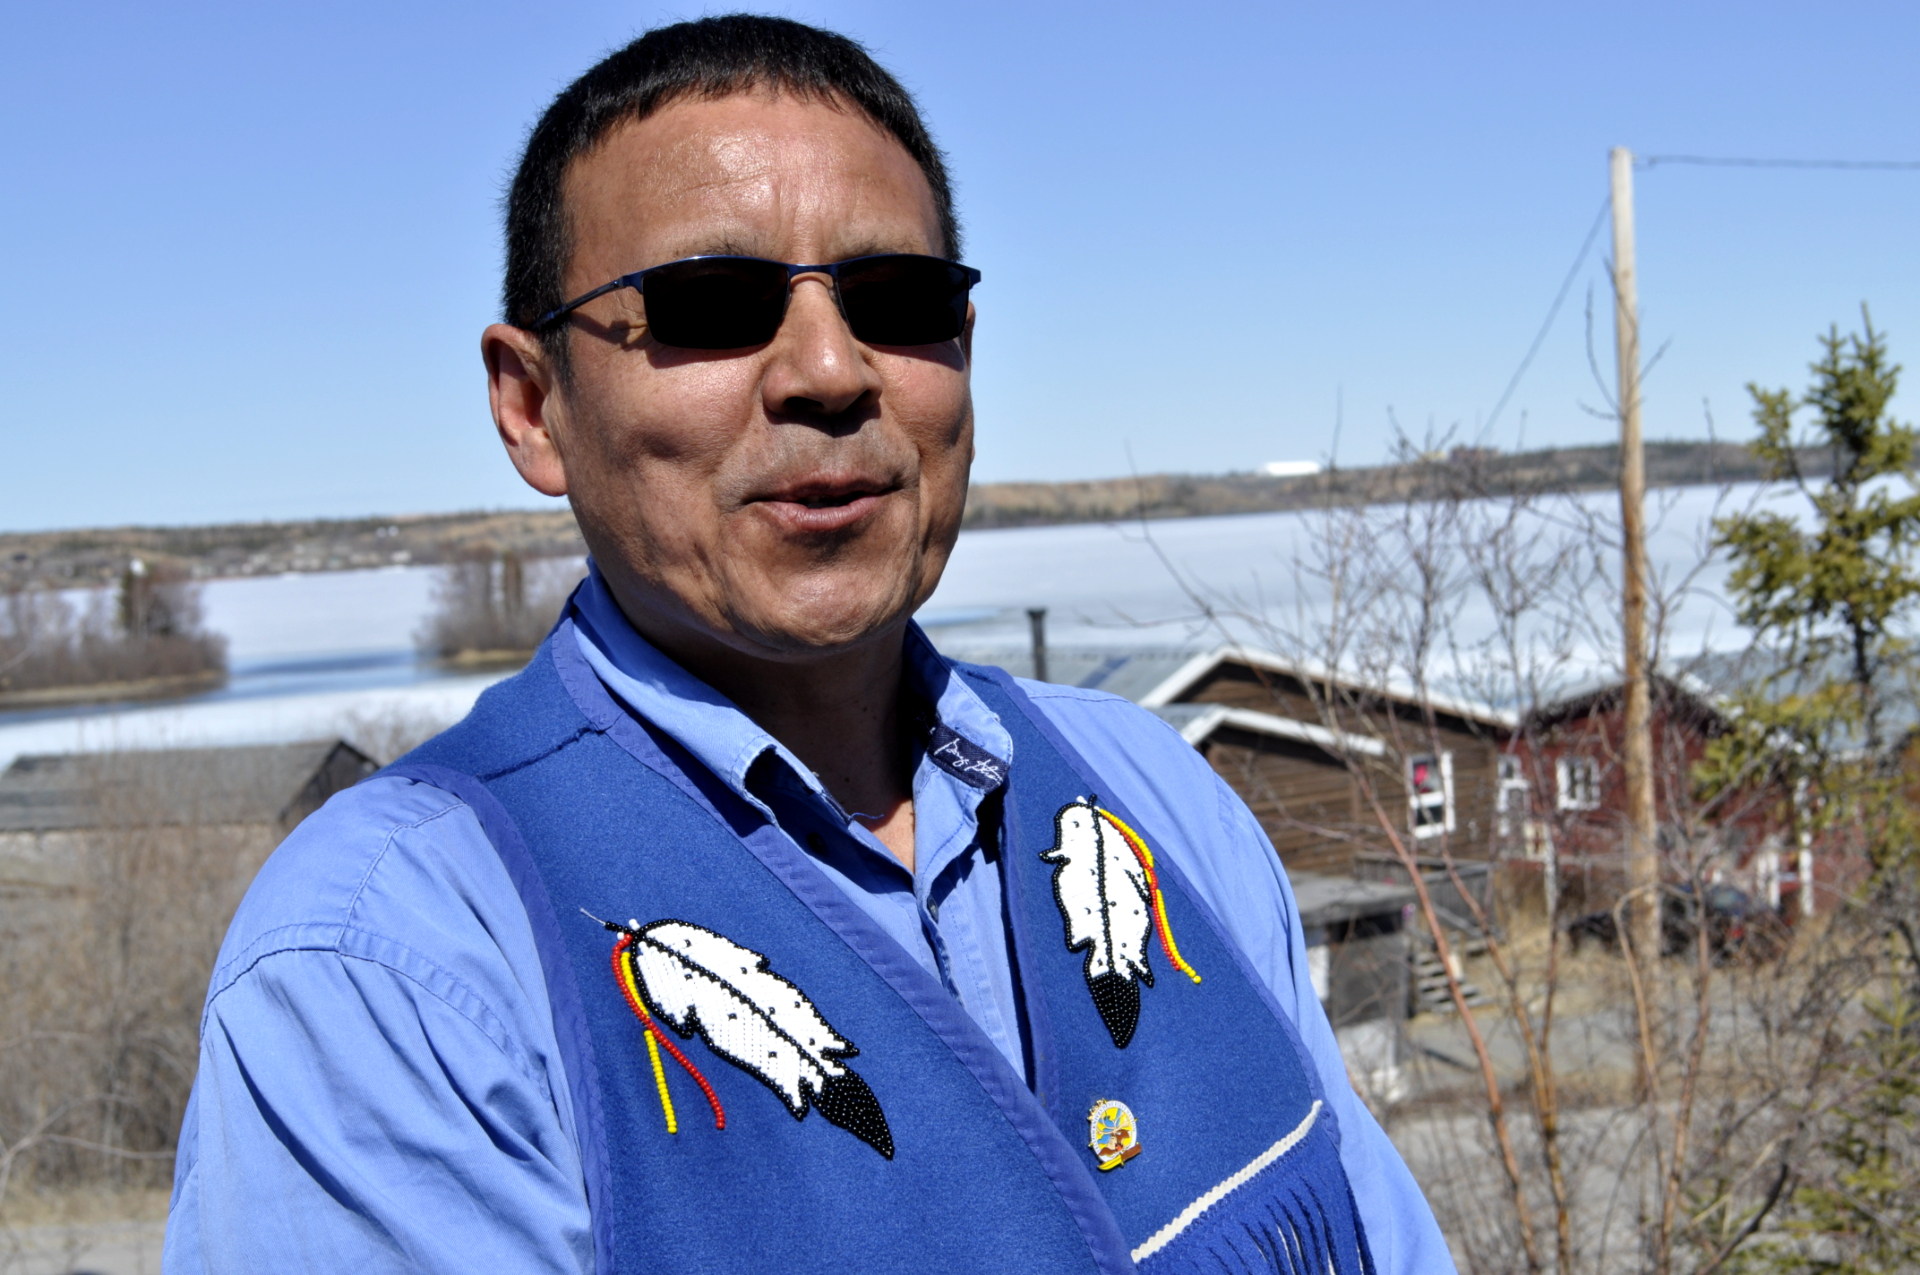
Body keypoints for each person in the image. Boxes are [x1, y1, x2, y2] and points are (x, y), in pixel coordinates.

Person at [163, 15, 1452, 1273]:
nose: (831, 370)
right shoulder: (400, 963)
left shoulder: (1152, 794)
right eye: (711, 303)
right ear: (535, 405)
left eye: (898, 297)